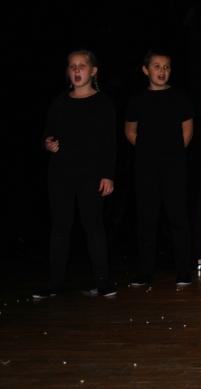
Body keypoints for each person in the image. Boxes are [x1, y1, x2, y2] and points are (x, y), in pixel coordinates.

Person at [34, 50, 116, 299]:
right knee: (60, 228)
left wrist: (108, 175)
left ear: (93, 71)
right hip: (61, 174)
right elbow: (48, 134)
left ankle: (103, 283)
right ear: (68, 72)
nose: (77, 70)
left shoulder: (103, 103)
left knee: (94, 227)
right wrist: (48, 144)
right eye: (72, 66)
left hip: (91, 175)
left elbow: (110, 143)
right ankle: (54, 284)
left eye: (82, 65)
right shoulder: (60, 102)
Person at [125, 50, 194, 287]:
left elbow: (187, 130)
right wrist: (147, 150)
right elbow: (130, 130)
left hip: (174, 166)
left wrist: (172, 153)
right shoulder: (137, 100)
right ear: (146, 70)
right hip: (146, 167)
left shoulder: (179, 98)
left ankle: (183, 271)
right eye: (157, 66)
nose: (162, 71)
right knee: (147, 218)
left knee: (178, 217)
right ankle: (145, 271)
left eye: (166, 67)